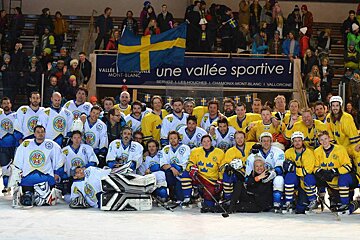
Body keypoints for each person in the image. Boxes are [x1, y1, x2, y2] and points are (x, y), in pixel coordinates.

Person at [12, 125, 63, 207]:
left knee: (44, 202)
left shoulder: (52, 145)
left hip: (46, 177)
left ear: (45, 133)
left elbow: (59, 160)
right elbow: (18, 160)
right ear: (34, 134)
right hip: (28, 178)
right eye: (38, 132)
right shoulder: (26, 144)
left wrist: (57, 173)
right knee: (27, 198)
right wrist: (17, 175)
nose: (40, 134)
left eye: (42, 132)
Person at [314, 131, 359, 215]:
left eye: (326, 139)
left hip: (345, 181)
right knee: (311, 178)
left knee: (343, 178)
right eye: (321, 140)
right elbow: (315, 167)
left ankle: (345, 204)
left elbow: (348, 166)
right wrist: (321, 173)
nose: (324, 142)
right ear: (319, 141)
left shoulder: (340, 149)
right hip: (332, 184)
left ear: (329, 138)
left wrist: (336, 171)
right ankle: (313, 201)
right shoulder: (317, 151)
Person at [181, 134, 223, 212]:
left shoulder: (219, 152)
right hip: (198, 176)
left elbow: (222, 168)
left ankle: (200, 196)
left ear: (211, 142)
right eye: (204, 141)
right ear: (201, 143)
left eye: (208, 141)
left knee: (209, 204)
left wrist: (220, 180)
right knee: (186, 174)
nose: (206, 143)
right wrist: (192, 168)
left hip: (211, 180)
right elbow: (189, 163)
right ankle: (187, 198)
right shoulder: (195, 151)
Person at [245, 132, 285, 212]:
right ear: (260, 142)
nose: (266, 143)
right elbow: (247, 176)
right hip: (259, 180)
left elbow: (280, 167)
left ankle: (277, 204)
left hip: (273, 176)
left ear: (271, 142)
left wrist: (272, 174)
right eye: (264, 141)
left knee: (279, 180)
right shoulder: (253, 154)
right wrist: (257, 178)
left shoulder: (278, 152)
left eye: (268, 140)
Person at [283, 131, 317, 214]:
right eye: (295, 141)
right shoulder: (288, 152)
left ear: (302, 141)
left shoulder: (309, 153)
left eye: (299, 140)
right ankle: (288, 202)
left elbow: (307, 171)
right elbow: (286, 168)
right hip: (295, 178)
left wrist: (294, 169)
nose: (297, 143)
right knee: (289, 176)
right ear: (292, 142)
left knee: (309, 178)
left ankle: (312, 200)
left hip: (304, 180)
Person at [60, 130, 98, 200]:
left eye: (78, 138)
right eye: (74, 138)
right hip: (71, 178)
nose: (77, 140)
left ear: (81, 138)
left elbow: (94, 162)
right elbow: (60, 165)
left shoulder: (87, 148)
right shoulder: (65, 150)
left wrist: (84, 167)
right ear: (71, 139)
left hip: (85, 178)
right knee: (68, 198)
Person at [222, 130, 254, 201]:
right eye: (237, 138)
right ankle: (228, 199)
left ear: (245, 138)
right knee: (227, 174)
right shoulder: (230, 151)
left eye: (241, 137)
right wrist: (228, 167)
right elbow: (226, 164)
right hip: (238, 174)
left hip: (252, 173)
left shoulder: (251, 146)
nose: (239, 140)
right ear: (234, 139)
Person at [160, 131, 190, 203]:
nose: (173, 140)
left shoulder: (185, 148)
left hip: (182, 173)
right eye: (171, 138)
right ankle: (172, 196)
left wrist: (172, 167)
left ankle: (181, 196)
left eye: (175, 138)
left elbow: (183, 165)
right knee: (167, 173)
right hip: (171, 171)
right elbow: (163, 165)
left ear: (178, 139)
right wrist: (172, 168)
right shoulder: (165, 149)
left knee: (177, 176)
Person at [0, 97, 22, 194]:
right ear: (1, 105)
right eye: (4, 103)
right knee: (5, 167)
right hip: (3, 146)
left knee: (17, 167)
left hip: (15, 145)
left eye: (8, 103)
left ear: (11, 105)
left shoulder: (16, 115)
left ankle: (18, 187)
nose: (6, 105)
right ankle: (6, 186)